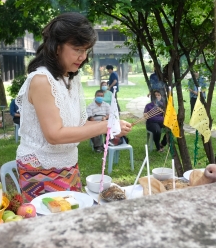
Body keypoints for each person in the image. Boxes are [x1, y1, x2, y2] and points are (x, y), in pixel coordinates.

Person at [15, 12, 131, 201]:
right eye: (77, 49)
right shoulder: (42, 80)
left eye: (86, 50)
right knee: (52, 225)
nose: (83, 57)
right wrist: (104, 127)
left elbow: (80, 125)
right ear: (56, 47)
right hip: (40, 169)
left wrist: (112, 125)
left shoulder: (70, 78)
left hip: (68, 165)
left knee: (72, 220)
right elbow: (54, 135)